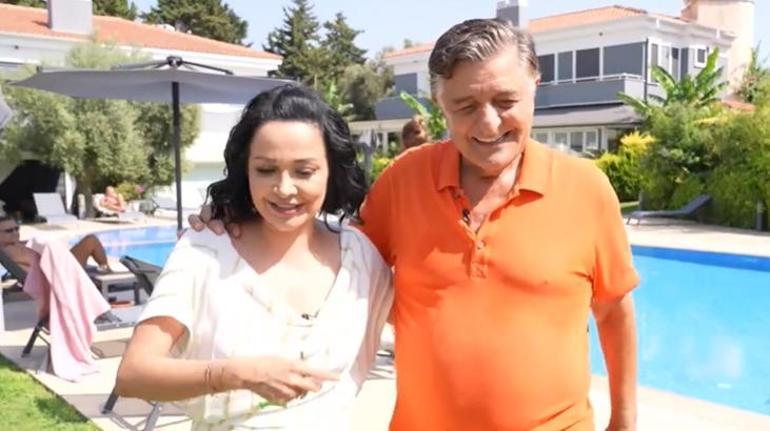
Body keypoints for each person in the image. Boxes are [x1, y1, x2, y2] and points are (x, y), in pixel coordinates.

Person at [191, 19, 639, 431]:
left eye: (506, 102)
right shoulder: (404, 180)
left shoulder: (586, 190)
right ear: (440, 104)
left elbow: (613, 310)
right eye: (465, 106)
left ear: (534, 84)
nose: (488, 123)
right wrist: (239, 216)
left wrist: (624, 420)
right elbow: (325, 259)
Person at [115, 85, 393, 430]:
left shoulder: (360, 257)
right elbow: (133, 374)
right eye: (266, 170)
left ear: (331, 170)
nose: (284, 188)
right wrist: (235, 374)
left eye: (304, 171)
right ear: (245, 170)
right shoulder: (207, 250)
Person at [0, 214, 111, 273]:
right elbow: (41, 263)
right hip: (61, 273)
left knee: (89, 241)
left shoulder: (12, 247)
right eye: (9, 231)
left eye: (16, 229)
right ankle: (107, 272)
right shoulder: (11, 251)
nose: (15, 233)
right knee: (90, 241)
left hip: (58, 268)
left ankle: (105, 270)